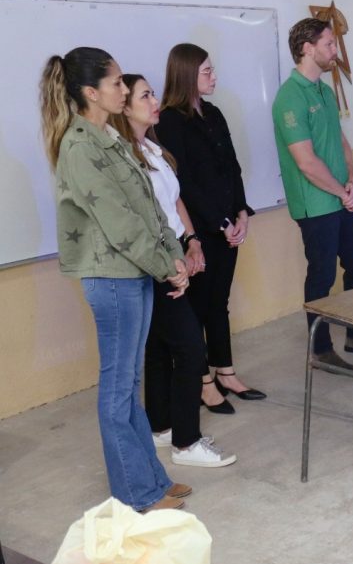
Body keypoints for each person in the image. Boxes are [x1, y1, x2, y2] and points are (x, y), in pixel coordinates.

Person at [41, 47, 191, 511]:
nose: (124, 90)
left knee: (128, 383)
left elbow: (147, 206)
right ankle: (135, 492)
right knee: (117, 386)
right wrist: (166, 264)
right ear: (90, 92)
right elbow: (120, 222)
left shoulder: (108, 136)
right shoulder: (81, 146)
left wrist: (174, 253)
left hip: (133, 272)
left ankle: (151, 480)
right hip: (113, 277)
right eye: (117, 83)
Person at [111, 74, 237, 467]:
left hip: (174, 249)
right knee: (187, 346)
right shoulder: (122, 155)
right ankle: (187, 442)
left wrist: (193, 239)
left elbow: (175, 200)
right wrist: (170, 262)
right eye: (145, 95)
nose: (155, 102)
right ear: (124, 106)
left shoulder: (152, 147)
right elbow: (139, 219)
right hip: (154, 262)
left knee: (162, 348)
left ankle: (162, 426)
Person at [156, 43, 264, 410]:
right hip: (200, 232)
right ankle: (203, 381)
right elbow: (181, 181)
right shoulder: (170, 120)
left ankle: (225, 370)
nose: (214, 77)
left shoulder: (214, 113)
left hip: (228, 225)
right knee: (199, 306)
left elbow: (231, 167)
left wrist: (242, 212)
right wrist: (218, 223)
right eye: (207, 71)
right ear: (186, 74)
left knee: (219, 302)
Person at [272, 18, 353, 370]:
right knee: (322, 276)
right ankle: (320, 349)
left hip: (340, 196)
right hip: (316, 204)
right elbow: (306, 162)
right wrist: (342, 193)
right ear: (307, 49)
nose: (335, 51)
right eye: (329, 44)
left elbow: (341, 142)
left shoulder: (324, 91)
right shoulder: (290, 96)